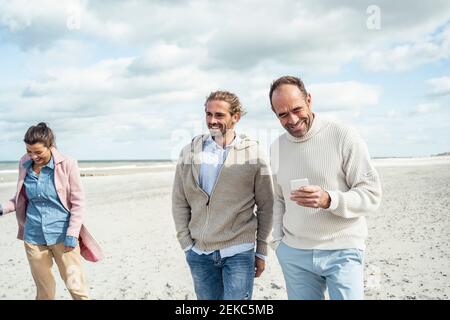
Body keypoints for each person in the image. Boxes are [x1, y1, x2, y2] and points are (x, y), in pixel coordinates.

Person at [268, 76, 382, 300]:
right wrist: (279, 243)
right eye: (282, 114)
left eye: (297, 109)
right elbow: (277, 200)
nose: (292, 119)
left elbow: (371, 194)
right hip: (294, 253)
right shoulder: (276, 147)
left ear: (309, 100)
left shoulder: (343, 135)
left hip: (343, 249)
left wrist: (330, 199)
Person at [172, 90, 274, 300]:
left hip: (238, 251)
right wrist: (186, 243)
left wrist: (261, 249)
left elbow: (267, 205)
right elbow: (179, 201)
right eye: (209, 114)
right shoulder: (189, 152)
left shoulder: (254, 154)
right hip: (199, 253)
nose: (212, 120)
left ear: (235, 117)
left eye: (219, 115)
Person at [0, 122, 102, 300]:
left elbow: (78, 202)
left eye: (38, 152)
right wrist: (3, 208)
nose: (33, 156)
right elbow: (20, 198)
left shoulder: (67, 164)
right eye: (29, 151)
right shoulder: (24, 162)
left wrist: (73, 233)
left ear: (50, 146)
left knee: (76, 287)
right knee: (44, 291)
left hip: (63, 236)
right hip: (33, 237)